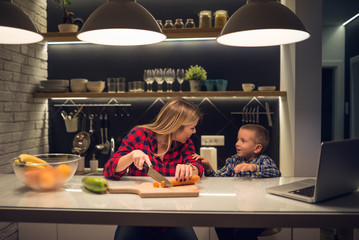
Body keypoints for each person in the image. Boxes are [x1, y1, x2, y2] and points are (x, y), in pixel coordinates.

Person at [104, 97, 204, 240]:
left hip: (174, 215)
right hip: (137, 214)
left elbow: (197, 166)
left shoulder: (185, 144)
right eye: (192, 127)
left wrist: (190, 168)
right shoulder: (139, 135)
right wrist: (131, 156)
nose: (194, 132)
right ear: (176, 126)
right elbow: (109, 169)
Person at [193, 124, 281, 240]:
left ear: (257, 148)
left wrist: (254, 167)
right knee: (220, 224)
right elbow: (218, 180)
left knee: (242, 233)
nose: (237, 143)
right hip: (236, 210)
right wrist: (209, 169)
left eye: (243, 141)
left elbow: (276, 173)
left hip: (259, 212)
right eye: (237, 139)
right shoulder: (233, 160)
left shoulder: (264, 161)